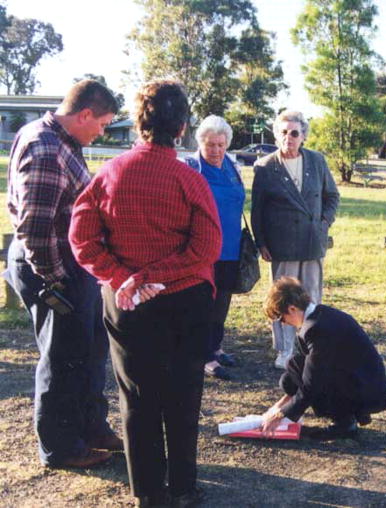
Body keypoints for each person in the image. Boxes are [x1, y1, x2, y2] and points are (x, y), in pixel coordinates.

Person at [69, 80, 221, 507]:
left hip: (129, 302)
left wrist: (125, 277)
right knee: (184, 393)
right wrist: (157, 274)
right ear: (182, 127)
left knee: (137, 397)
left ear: (138, 123)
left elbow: (81, 238)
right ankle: (184, 486)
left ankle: (150, 494)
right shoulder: (189, 181)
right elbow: (206, 247)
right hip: (185, 300)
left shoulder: (109, 174)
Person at [6, 79, 121, 469]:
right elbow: (35, 226)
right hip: (52, 265)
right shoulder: (46, 147)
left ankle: (91, 426)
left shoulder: (64, 142)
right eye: (103, 123)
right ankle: (61, 446)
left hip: (73, 264)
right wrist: (56, 280)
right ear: (84, 114)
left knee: (90, 348)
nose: (103, 131)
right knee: (62, 357)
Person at [251, 110, 339, 369]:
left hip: (312, 242)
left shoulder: (316, 161)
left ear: (303, 136)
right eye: (283, 132)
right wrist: (261, 243)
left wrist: (323, 223)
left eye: (294, 133)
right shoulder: (265, 166)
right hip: (282, 245)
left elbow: (332, 197)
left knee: (310, 295)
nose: (288, 137)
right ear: (276, 134)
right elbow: (258, 210)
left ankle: (311, 344)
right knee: (283, 298)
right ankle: (284, 349)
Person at [261, 276, 386, 440]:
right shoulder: (319, 315)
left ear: (292, 309)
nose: (283, 324)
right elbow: (306, 370)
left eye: (281, 318)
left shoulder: (317, 330)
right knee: (292, 372)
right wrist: (278, 407)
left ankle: (344, 422)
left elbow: (311, 384)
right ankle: (346, 416)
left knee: (308, 376)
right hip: (357, 379)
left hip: (364, 389)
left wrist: (281, 414)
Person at [183, 115, 245, 381]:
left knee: (223, 302)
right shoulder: (189, 167)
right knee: (203, 304)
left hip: (231, 247)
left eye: (221, 144)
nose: (216, 150)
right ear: (201, 143)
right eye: (211, 145)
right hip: (202, 250)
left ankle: (216, 348)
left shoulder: (233, 168)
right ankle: (203, 356)